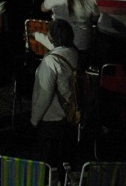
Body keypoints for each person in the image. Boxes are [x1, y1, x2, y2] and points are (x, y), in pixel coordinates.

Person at [29, 19, 80, 169]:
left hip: (50, 121)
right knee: (64, 163)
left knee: (47, 165)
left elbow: (45, 96)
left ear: (53, 38)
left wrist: (34, 120)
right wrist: (36, 35)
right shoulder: (73, 53)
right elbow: (56, 46)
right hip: (68, 118)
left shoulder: (50, 62)